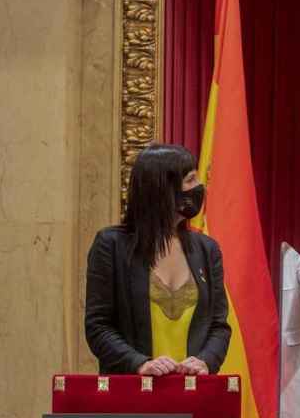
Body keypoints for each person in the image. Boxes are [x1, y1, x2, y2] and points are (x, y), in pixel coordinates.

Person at [85, 144, 230, 376]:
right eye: (191, 179)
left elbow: (219, 326)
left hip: (194, 393)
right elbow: (98, 326)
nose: (200, 187)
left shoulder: (207, 249)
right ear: (163, 188)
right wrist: (139, 363)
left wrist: (205, 361)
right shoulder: (110, 245)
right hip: (132, 396)